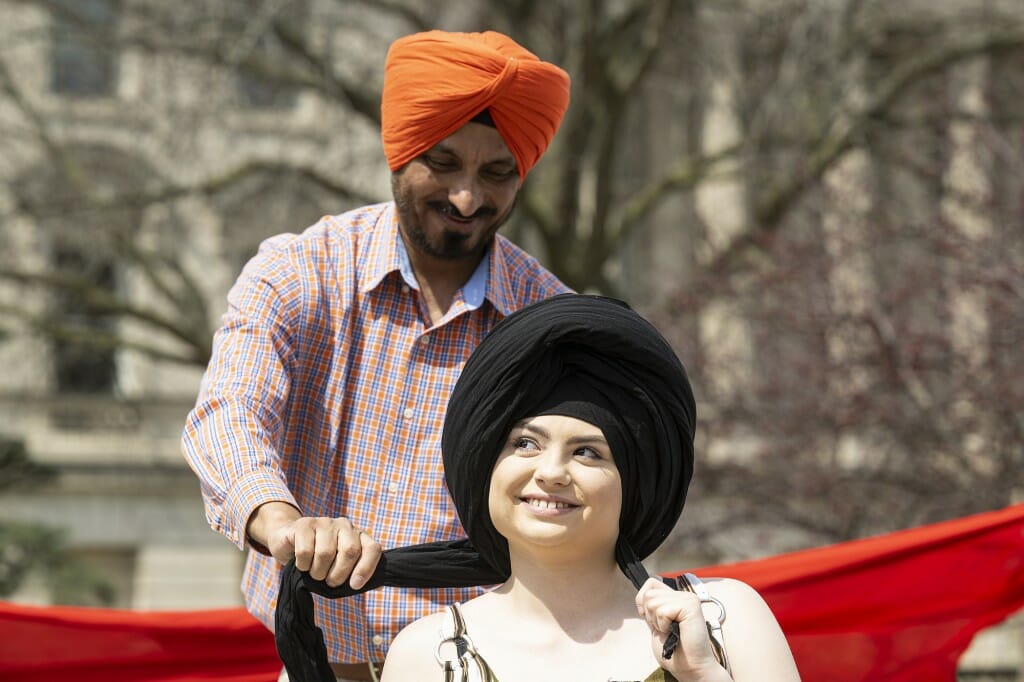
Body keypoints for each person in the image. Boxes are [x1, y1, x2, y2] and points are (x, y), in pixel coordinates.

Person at [181, 29, 572, 682]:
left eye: (496, 173)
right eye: (443, 165)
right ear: (400, 152)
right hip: (317, 665)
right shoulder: (301, 271)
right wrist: (283, 522)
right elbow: (229, 411)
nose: (468, 198)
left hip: (480, 665)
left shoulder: (547, 320)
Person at [274, 294, 801, 682]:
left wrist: (705, 674)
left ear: (635, 484)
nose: (550, 471)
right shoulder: (426, 656)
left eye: (588, 452)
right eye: (525, 444)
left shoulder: (722, 620)